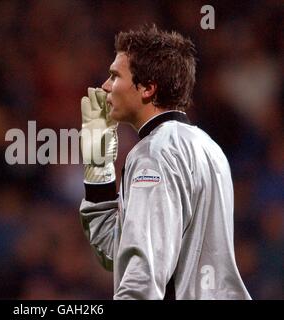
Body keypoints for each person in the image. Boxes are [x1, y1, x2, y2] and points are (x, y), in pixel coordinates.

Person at [79, 24, 251, 300]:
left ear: (147, 88)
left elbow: (143, 272)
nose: (105, 86)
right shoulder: (209, 147)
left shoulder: (154, 153)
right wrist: (98, 162)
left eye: (115, 76)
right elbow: (119, 251)